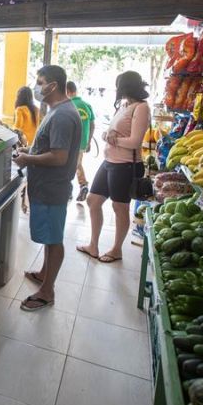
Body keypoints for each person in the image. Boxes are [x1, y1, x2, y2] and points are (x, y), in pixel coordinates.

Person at [13, 65, 81, 311]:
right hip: (45, 187)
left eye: (40, 82)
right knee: (50, 237)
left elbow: (59, 157)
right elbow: (47, 147)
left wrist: (28, 159)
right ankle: (44, 273)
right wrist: (29, 151)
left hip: (53, 188)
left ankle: (47, 291)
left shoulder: (63, 115)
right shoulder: (56, 110)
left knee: (54, 240)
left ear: (53, 85)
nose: (37, 86)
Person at [77, 71, 151, 263]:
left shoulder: (141, 108)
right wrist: (108, 136)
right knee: (93, 201)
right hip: (110, 162)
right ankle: (93, 245)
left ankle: (116, 249)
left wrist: (114, 139)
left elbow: (135, 142)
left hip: (126, 165)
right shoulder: (124, 105)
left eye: (119, 85)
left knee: (120, 207)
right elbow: (114, 133)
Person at [66, 81, 95, 202]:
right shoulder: (86, 105)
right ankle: (82, 185)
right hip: (82, 142)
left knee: (69, 165)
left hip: (69, 142)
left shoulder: (67, 105)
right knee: (77, 163)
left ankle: (69, 189)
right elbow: (93, 125)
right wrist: (88, 142)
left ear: (67, 92)